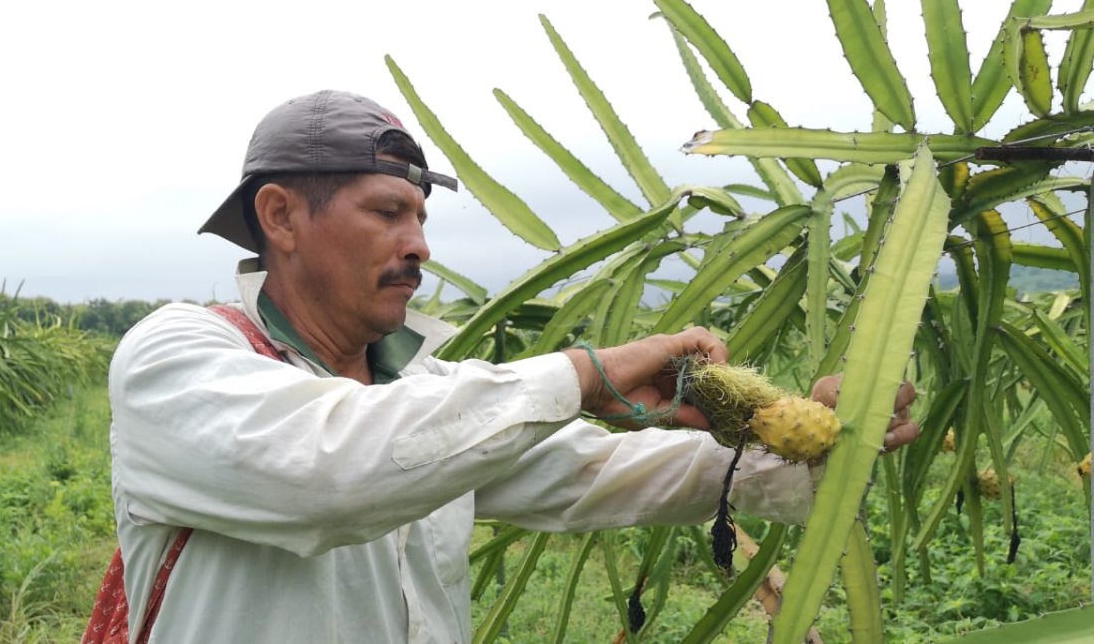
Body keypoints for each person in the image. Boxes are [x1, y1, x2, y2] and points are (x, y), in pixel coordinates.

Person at [106, 90, 919, 642]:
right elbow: (330, 472)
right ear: (281, 216)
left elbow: (607, 471)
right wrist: (583, 373)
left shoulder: (426, 391)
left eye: (421, 218)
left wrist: (817, 446)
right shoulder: (177, 359)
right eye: (387, 212)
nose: (419, 245)